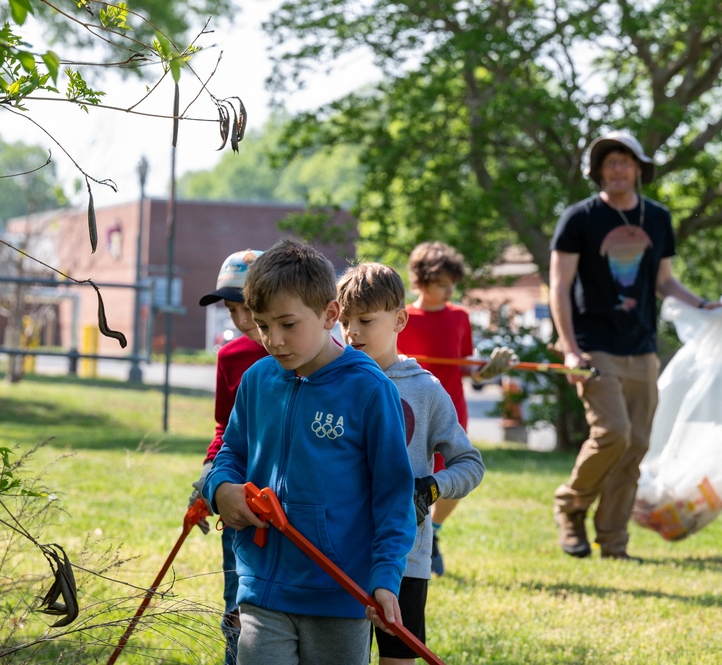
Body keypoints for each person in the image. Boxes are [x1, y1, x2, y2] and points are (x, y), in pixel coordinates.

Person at [202, 238, 416, 665]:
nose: (273, 340)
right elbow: (231, 453)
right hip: (262, 588)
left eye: (287, 324)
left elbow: (393, 495)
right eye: (263, 325)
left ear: (330, 314)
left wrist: (385, 577)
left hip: (341, 594)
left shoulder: (370, 390)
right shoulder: (258, 380)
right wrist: (219, 487)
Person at [549, 130, 721, 560]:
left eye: (625, 161)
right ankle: (570, 507)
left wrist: (703, 304)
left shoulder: (657, 219)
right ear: (598, 172)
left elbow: (663, 281)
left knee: (638, 443)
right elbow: (559, 285)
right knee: (613, 434)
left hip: (642, 347)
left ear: (639, 169)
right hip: (592, 345)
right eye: (609, 163)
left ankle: (613, 541)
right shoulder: (579, 219)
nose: (617, 169)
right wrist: (570, 347)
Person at [337, 262, 485, 665]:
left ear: (400, 319)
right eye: (344, 320)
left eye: (365, 320)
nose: (352, 332)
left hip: (405, 556)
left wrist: (431, 488)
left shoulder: (426, 390)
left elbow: (470, 463)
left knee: (398, 656)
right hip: (338, 551)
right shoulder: (330, 383)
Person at [397, 241, 515, 575]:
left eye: (453, 284)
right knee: (411, 470)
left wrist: (488, 370)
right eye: (441, 284)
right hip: (408, 407)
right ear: (420, 281)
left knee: (453, 471)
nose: (449, 291)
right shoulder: (402, 317)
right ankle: (406, 537)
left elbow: (469, 365)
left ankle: (432, 532)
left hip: (450, 406)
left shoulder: (459, 316)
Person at [187, 249, 268, 664]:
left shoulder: (298, 351)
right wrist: (209, 476)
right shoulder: (230, 356)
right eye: (231, 309)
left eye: (248, 307)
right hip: (236, 493)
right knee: (235, 595)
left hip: (282, 497)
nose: (240, 320)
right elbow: (223, 427)